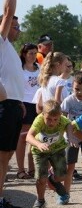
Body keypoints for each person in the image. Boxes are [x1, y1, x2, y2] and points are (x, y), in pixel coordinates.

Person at [0, 0, 26, 208]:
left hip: (12, 107)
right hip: (3, 107)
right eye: (14, 26)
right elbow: (7, 10)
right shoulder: (0, 40)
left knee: (5, 156)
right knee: (1, 158)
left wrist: (16, 102)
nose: (16, 29)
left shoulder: (8, 50)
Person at [26, 100, 74, 208]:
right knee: (40, 178)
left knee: (62, 177)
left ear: (60, 116)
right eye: (48, 119)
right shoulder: (39, 120)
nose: (52, 122)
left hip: (57, 150)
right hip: (40, 151)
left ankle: (52, 179)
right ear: (43, 115)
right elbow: (28, 136)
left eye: (55, 119)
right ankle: (40, 200)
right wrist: (39, 144)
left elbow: (69, 124)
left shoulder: (63, 120)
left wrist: (70, 136)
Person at [16, 43, 40, 179]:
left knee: (35, 135)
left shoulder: (39, 68)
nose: (33, 56)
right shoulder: (20, 69)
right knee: (23, 137)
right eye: (30, 53)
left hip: (37, 104)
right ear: (24, 54)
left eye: (35, 53)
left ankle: (32, 168)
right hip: (24, 103)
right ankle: (20, 169)